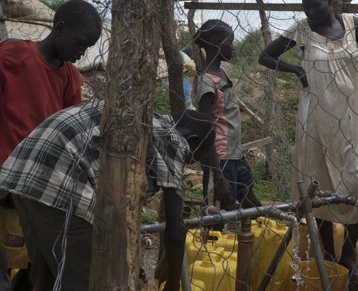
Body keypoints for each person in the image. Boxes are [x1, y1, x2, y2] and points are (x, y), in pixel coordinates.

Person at [258, 0, 358, 284]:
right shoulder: (302, 30)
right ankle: (329, 256)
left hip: (349, 118)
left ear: (330, 0)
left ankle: (349, 252)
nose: (309, 12)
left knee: (357, 180)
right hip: (315, 119)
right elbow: (265, 56)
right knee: (316, 183)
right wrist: (296, 69)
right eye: (305, 7)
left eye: (315, 6)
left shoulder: (351, 24)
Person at [0, 101, 216, 291]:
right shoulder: (174, 138)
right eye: (193, 158)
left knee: (46, 277)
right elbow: (175, 230)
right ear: (192, 139)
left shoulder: (147, 120)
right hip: (59, 178)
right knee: (87, 280)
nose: (189, 162)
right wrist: (172, 284)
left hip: (23, 171)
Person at [0, 0, 102, 290]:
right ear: (59, 28)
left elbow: (71, 130)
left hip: (39, 183)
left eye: (88, 47)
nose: (82, 53)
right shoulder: (12, 57)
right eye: (80, 43)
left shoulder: (70, 77)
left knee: (33, 260)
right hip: (5, 176)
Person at [192, 19, 261, 211]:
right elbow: (206, 128)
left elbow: (227, 120)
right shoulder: (207, 81)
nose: (233, 48)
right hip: (219, 159)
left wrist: (240, 156)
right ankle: (212, 239)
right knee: (220, 212)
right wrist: (217, 174)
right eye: (230, 42)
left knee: (252, 204)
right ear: (216, 41)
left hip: (233, 156)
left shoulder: (221, 73)